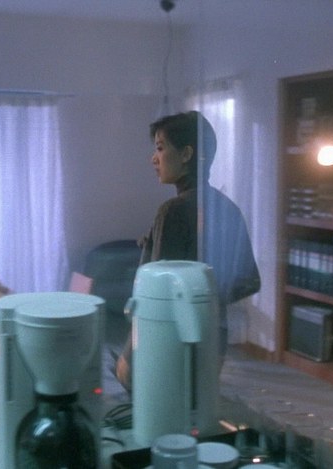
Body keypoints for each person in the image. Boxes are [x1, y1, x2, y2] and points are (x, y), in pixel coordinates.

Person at [114, 110, 260, 392]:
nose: (153, 158)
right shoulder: (228, 207)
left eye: (160, 148)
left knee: (160, 408)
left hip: (170, 338)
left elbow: (156, 297)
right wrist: (206, 299)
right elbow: (249, 281)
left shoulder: (173, 211)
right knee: (197, 405)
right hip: (214, 337)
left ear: (186, 154)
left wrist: (129, 355)